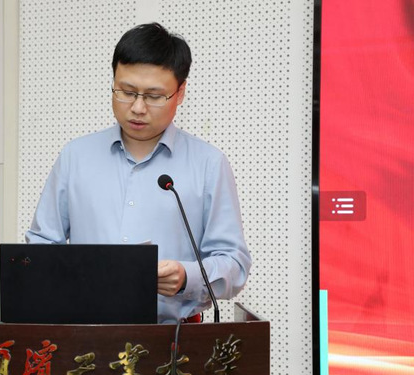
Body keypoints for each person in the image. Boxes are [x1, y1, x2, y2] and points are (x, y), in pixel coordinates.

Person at [25, 22, 251, 324]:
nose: (138, 107)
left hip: (174, 339)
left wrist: (187, 276)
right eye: (127, 92)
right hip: (85, 334)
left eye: (154, 96)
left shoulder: (209, 164)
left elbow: (234, 263)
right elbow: (40, 247)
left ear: (180, 92)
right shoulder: (75, 157)